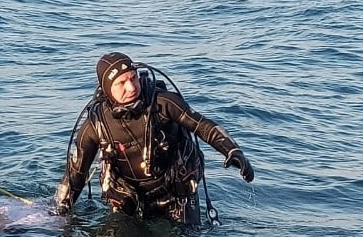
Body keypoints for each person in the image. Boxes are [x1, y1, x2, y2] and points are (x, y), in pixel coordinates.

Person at [54, 52, 254, 225]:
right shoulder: (96, 124)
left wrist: (232, 150)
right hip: (129, 199)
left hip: (176, 194)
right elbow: (76, 174)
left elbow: (202, 125)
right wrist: (59, 213)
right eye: (121, 83)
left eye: (133, 78)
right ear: (107, 89)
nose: (131, 87)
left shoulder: (163, 103)